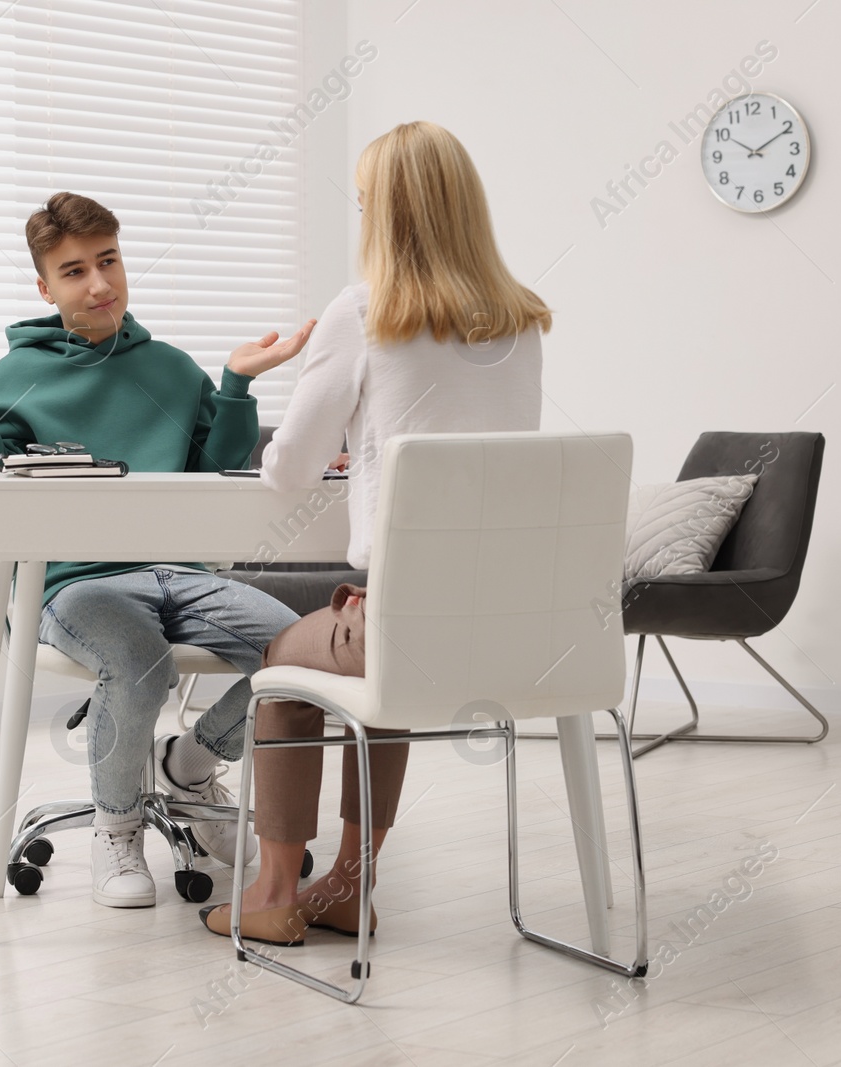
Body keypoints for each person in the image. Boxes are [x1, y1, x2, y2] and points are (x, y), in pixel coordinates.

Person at [0, 191, 316, 909]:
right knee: (142, 662)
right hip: (72, 586)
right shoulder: (17, 378)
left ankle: (192, 761)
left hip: (179, 571)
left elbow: (215, 472)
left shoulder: (171, 368)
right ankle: (117, 829)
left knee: (304, 655)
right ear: (45, 287)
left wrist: (237, 383)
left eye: (108, 261)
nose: (99, 283)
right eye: (74, 271)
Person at [199, 121, 551, 945]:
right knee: (373, 667)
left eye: (363, 203)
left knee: (286, 661)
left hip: (407, 621)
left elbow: (288, 471)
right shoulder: (520, 317)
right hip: (514, 627)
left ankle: (276, 891)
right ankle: (351, 886)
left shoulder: (363, 310)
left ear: (384, 214)